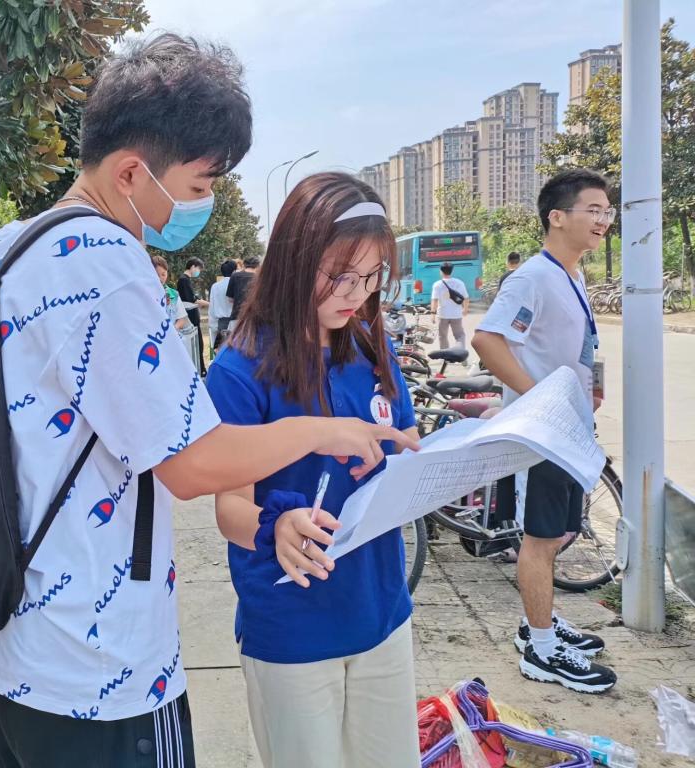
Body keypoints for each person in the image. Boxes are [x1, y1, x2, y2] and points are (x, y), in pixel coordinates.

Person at [0, 35, 412, 768]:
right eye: (201, 184)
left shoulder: (16, 245)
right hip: (99, 657)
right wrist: (319, 431)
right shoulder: (108, 266)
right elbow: (192, 465)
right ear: (131, 172)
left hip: (21, 636)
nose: (205, 203)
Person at [206, 173, 421, 768]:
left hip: (381, 610)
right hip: (293, 625)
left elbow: (406, 447)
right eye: (341, 276)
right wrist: (275, 526)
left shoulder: (373, 352)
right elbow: (229, 507)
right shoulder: (241, 370)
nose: (357, 294)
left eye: (372, 277)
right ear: (295, 259)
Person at [473, 168, 617, 694]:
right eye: (593, 210)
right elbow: (487, 340)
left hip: (569, 427)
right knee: (539, 539)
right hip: (544, 433)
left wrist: (593, 387)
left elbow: (583, 344)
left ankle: (541, 621)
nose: (603, 220)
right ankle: (540, 647)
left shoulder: (572, 275)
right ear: (557, 217)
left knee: (556, 535)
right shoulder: (532, 277)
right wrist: (541, 400)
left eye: (607, 211)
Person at [176, 257, 210, 375]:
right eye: (198, 268)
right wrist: (209, 304)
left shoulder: (186, 280)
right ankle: (200, 371)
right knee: (197, 346)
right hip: (190, 319)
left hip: (193, 318)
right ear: (192, 266)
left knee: (199, 345)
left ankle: (201, 369)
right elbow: (192, 300)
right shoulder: (183, 280)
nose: (198, 271)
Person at [430, 261, 469, 349]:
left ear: (441, 271)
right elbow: (466, 298)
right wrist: (465, 309)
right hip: (456, 314)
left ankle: (445, 355)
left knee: (442, 336)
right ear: (452, 271)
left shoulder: (437, 284)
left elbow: (434, 300)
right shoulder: (459, 283)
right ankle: (460, 353)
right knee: (459, 335)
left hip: (443, 314)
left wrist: (433, 314)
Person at [152, 255, 190, 332]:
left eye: (163, 274)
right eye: (156, 275)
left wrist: (172, 330)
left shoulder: (174, 294)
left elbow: (181, 318)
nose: (160, 278)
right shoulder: (144, 294)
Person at [208, 259, 237, 354]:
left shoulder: (215, 286)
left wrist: (212, 326)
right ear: (234, 271)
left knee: (223, 351)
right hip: (236, 322)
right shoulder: (237, 284)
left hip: (222, 324)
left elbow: (212, 307)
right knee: (236, 351)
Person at [226, 255, 260, 330]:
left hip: (237, 316)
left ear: (244, 265)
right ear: (257, 266)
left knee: (236, 337)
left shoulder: (234, 276)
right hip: (254, 318)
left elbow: (230, 299)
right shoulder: (260, 278)